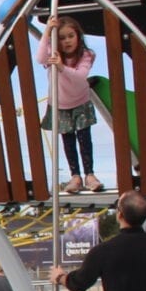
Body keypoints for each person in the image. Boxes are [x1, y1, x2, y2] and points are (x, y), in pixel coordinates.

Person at [40, 15, 102, 194]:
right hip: (60, 104)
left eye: (70, 36)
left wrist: (61, 67)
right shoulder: (53, 54)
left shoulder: (86, 55)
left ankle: (89, 174)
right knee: (68, 141)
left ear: (78, 37)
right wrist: (46, 32)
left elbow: (80, 76)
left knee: (84, 139)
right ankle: (76, 176)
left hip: (80, 101)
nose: (67, 41)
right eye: (61, 37)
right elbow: (39, 57)